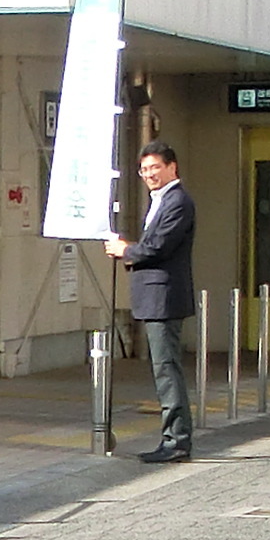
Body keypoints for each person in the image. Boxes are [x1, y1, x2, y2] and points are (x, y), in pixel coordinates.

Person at [104, 141, 198, 462]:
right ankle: (172, 437)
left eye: (155, 167)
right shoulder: (159, 201)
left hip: (164, 297)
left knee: (167, 369)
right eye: (144, 170)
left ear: (173, 167)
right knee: (164, 370)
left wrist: (126, 251)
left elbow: (159, 246)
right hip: (156, 295)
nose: (149, 175)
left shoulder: (178, 202)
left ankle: (177, 440)